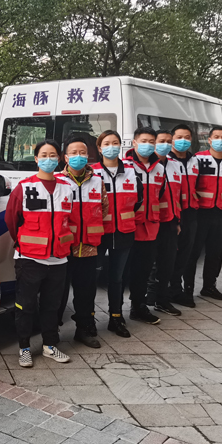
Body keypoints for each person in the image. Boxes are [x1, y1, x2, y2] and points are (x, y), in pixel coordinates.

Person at [5, 140, 74, 368]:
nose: (48, 159)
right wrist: (25, 244)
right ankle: (24, 348)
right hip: (30, 259)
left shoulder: (67, 188)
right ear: (36, 159)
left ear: (60, 158)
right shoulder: (24, 188)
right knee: (25, 306)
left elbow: (71, 221)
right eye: (43, 155)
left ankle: (50, 345)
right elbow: (11, 220)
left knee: (52, 306)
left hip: (59, 259)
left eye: (53, 155)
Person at [57, 135, 109, 348]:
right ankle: (52, 333)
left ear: (88, 156)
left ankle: (84, 329)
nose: (78, 156)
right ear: (66, 157)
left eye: (82, 153)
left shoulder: (97, 181)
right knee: (58, 293)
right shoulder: (57, 181)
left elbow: (104, 209)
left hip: (88, 247)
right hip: (63, 248)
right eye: (74, 153)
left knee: (86, 291)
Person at [92, 130, 142, 338]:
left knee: (117, 278)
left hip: (123, 232)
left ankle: (116, 317)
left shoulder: (131, 171)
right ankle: (88, 318)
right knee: (92, 277)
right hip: (98, 234)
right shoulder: (92, 172)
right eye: (106, 143)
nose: (111, 147)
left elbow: (139, 199)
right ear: (99, 148)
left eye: (115, 143)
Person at [184, 126, 222, 300]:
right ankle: (188, 289)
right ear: (209, 140)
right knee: (193, 253)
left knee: (215, 253)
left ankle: (209, 286)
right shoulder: (198, 159)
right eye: (216, 137)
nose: (220, 140)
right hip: (201, 213)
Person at [124, 127, 164, 325]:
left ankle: (139, 306)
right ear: (134, 143)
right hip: (129, 227)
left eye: (151, 142)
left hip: (151, 228)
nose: (147, 145)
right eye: (143, 141)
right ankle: (115, 313)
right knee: (123, 272)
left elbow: (160, 196)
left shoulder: (159, 168)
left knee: (144, 271)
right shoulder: (125, 167)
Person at [148, 129, 183, 317]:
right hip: (150, 222)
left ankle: (162, 300)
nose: (166, 144)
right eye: (161, 141)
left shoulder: (176, 165)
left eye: (169, 141)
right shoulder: (146, 166)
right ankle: (145, 300)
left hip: (169, 222)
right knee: (148, 265)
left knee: (167, 263)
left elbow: (176, 196)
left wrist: (177, 221)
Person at [168, 124, 201, 308]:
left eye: (187, 137)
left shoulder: (194, 160)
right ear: (172, 139)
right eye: (179, 137)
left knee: (186, 254)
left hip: (191, 213)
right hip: (173, 214)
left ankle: (177, 290)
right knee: (170, 254)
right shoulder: (166, 161)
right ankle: (166, 290)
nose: (183, 141)